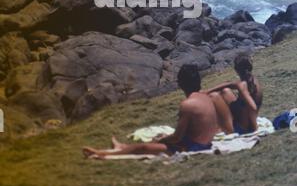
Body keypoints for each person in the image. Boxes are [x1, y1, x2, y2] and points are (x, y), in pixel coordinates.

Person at [82, 64, 218, 159]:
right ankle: (122, 147)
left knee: (143, 148)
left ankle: (102, 154)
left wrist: (163, 139)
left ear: (180, 83)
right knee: (162, 139)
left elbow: (177, 137)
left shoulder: (188, 104)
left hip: (193, 147)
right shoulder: (206, 97)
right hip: (204, 142)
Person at [205, 54, 263, 135]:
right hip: (246, 117)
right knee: (225, 91)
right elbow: (230, 84)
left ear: (236, 69)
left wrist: (254, 127)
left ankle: (223, 126)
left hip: (244, 125)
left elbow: (252, 107)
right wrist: (207, 91)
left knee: (214, 97)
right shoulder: (252, 80)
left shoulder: (243, 85)